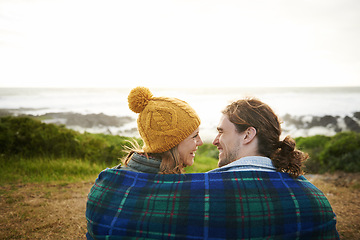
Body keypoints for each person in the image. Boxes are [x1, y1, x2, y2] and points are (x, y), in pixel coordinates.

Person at [86, 95, 339, 240]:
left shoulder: (201, 190)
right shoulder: (314, 198)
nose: (213, 141)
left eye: (220, 132)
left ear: (248, 135)